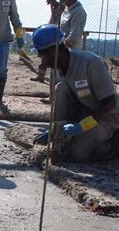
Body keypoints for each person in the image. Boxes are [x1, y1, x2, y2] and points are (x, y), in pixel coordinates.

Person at [32, 24, 119, 163]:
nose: (42, 61)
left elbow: (109, 103)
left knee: (80, 154)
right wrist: (54, 131)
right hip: (85, 111)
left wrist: (82, 126)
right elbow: (63, 103)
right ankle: (61, 141)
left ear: (53, 52)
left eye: (42, 56)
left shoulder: (91, 63)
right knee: (61, 89)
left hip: (107, 117)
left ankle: (114, 144)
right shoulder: (57, 69)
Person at [32, 0, 86, 83]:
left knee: (64, 77)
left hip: (69, 50)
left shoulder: (79, 12)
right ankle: (53, 97)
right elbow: (60, 9)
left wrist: (62, 47)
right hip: (59, 46)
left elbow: (74, 35)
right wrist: (55, 4)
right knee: (55, 74)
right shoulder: (68, 8)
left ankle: (60, 97)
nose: (66, 1)